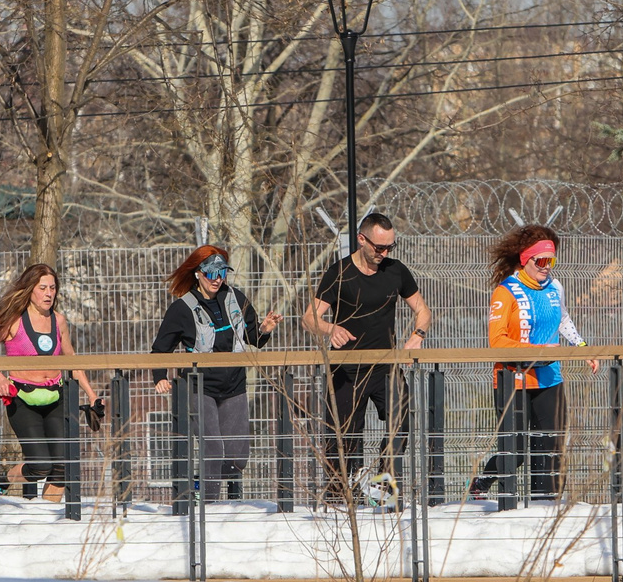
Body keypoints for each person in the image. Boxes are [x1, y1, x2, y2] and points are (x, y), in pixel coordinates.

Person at [303, 210, 429, 505]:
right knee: (344, 436)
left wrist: (418, 335)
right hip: (346, 369)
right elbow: (309, 318)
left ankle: (383, 487)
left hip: (385, 366)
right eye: (379, 247)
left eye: (389, 247)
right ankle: (339, 497)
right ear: (361, 240)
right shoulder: (340, 272)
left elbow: (423, 310)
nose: (384, 253)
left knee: (401, 419)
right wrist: (330, 328)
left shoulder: (395, 271)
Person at [471, 224, 595, 500]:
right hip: (514, 378)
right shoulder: (506, 291)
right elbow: (497, 341)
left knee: (551, 446)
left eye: (552, 261)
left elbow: (563, 319)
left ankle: (545, 505)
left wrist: (581, 347)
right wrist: (536, 351)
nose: (547, 266)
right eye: (541, 260)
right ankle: (482, 485)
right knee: (514, 447)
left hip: (550, 377)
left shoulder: (555, 287)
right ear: (526, 259)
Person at [152, 245, 281, 499]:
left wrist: (265, 328)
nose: (217, 278)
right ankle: (209, 507)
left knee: (238, 455)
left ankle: (216, 495)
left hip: (233, 385)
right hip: (200, 387)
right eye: (211, 273)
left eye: (222, 272)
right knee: (213, 449)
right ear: (198, 273)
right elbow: (160, 349)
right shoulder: (182, 308)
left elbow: (253, 337)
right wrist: (160, 377)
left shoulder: (236, 298)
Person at [0, 263, 102, 502]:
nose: (49, 293)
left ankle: (47, 519)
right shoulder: (12, 320)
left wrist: (92, 396)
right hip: (22, 398)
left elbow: (71, 360)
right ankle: (2, 480)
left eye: (52, 288)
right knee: (40, 466)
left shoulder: (59, 321)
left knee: (63, 465)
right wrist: (0, 378)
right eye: (42, 288)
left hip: (54, 395)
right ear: (30, 289)